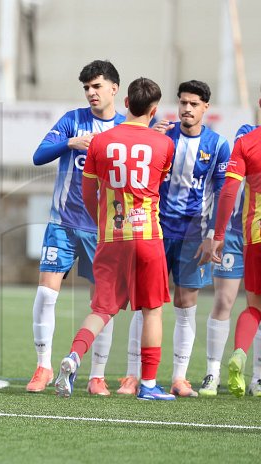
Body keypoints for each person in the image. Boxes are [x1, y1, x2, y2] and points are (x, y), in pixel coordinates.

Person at [55, 77, 176, 401]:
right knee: (152, 310)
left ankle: (74, 356)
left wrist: (103, 222)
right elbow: (159, 185)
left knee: (102, 308)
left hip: (111, 236)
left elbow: (88, 191)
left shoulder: (100, 142)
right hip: (148, 235)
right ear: (153, 111)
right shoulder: (164, 144)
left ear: (125, 103)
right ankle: (148, 384)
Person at [120, 80, 230, 398]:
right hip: (155, 230)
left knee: (185, 304)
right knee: (145, 304)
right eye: (183, 102)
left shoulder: (218, 145)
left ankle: (179, 378)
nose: (187, 109)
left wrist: (214, 235)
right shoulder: (163, 136)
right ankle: (132, 375)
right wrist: (149, 135)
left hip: (194, 235)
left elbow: (223, 192)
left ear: (205, 107)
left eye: (194, 104)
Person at [26, 60, 125, 395]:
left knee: (102, 303)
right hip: (63, 224)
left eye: (97, 86)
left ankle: (97, 375)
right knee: (45, 294)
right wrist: (71, 143)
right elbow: (39, 155)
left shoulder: (124, 128)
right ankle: (43, 367)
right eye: (86, 88)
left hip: (104, 230)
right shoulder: (73, 121)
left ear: (114, 88)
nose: (91, 93)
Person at [198, 122, 261, 396]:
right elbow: (226, 191)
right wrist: (218, 232)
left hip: (252, 234)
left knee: (253, 307)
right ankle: (213, 373)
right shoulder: (244, 139)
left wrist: (217, 232)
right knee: (225, 301)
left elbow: (228, 190)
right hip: (237, 233)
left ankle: (254, 373)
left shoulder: (249, 143)